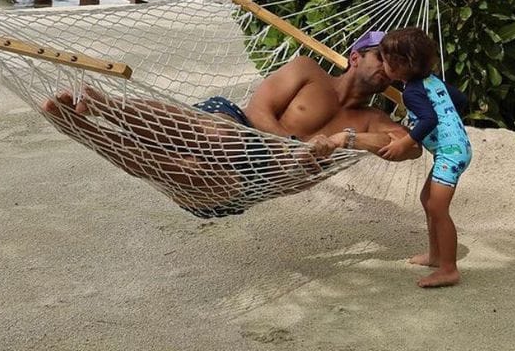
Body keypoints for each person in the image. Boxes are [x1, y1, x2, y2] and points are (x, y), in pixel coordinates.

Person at [40, 30, 421, 217]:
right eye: (381, 58)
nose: (388, 70)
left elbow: (408, 147)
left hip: (255, 181)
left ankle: (83, 130)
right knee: (224, 136)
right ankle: (102, 103)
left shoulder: (373, 118)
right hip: (237, 129)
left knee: (191, 173)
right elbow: (257, 111)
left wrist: (345, 140)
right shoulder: (308, 70)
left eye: (396, 69)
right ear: (356, 56)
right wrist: (293, 148)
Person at [378, 28, 471, 288]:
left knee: (438, 209)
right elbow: (460, 100)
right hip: (456, 148)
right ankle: (435, 255)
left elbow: (429, 119)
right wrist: (450, 122)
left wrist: (406, 142)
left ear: (398, 66)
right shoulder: (432, 81)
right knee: (427, 200)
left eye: (384, 60)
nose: (382, 64)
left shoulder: (411, 93)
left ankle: (449, 269)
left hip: (450, 153)